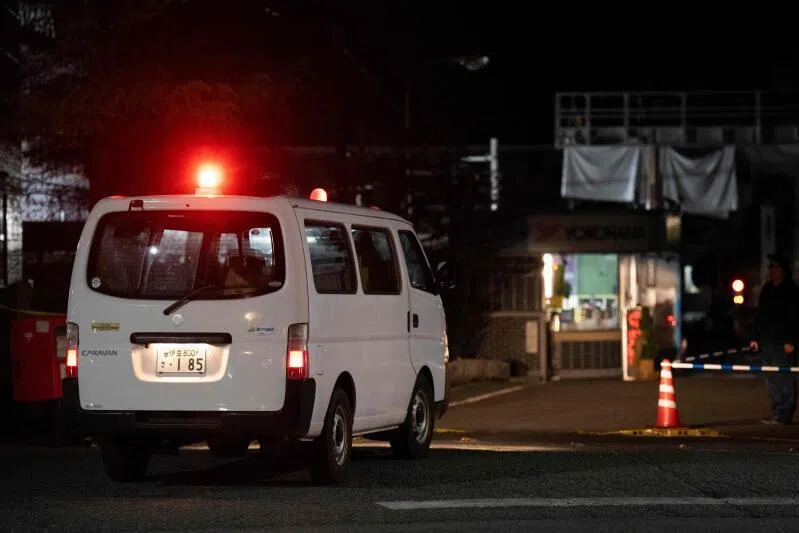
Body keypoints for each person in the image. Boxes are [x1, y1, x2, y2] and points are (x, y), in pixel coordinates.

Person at [750, 253, 799, 425]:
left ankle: (785, 413)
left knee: (784, 377)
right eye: (771, 268)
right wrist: (755, 337)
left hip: (783, 343)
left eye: (776, 268)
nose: (772, 271)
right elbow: (760, 316)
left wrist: (792, 340)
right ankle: (778, 411)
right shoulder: (767, 289)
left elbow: (795, 318)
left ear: (783, 271)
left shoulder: (791, 291)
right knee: (770, 378)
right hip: (767, 341)